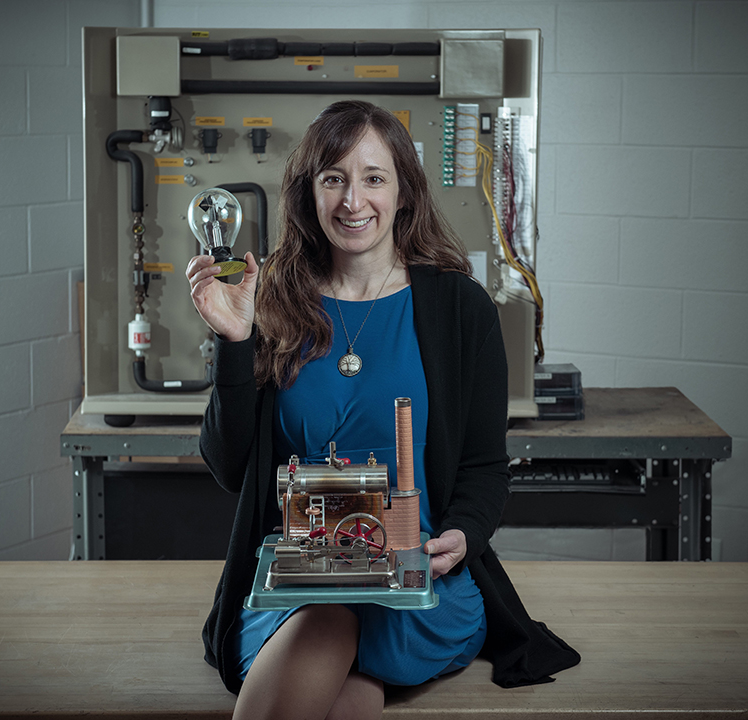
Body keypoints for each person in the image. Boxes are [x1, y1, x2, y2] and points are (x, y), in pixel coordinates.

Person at [186, 100, 579, 720]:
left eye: (374, 178)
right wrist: (234, 344)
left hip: (416, 583)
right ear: (308, 193)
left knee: (337, 630)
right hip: (297, 583)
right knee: (341, 661)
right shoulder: (271, 300)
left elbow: (483, 468)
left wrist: (465, 534)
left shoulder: (460, 310)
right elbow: (231, 469)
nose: (352, 201)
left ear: (403, 192)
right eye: (334, 178)